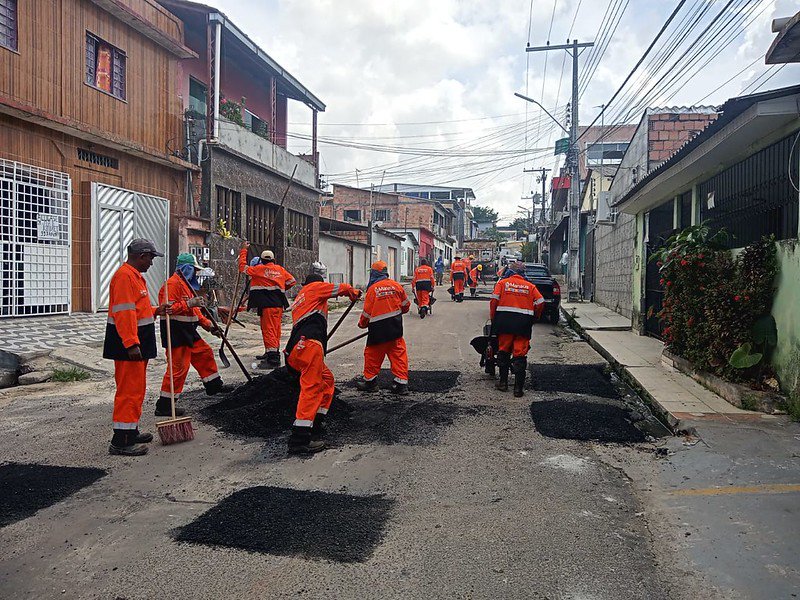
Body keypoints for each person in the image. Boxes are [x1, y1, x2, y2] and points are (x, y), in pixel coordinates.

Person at [103, 238, 172, 456]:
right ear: (142, 256)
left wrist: (156, 310)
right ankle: (121, 441)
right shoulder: (125, 277)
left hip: (136, 342)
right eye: (151, 258)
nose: (152, 262)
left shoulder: (135, 277)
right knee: (129, 392)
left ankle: (130, 431)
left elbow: (138, 310)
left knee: (136, 390)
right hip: (128, 345)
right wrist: (131, 344)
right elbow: (124, 314)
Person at [284, 265, 361, 454]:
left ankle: (316, 421)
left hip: (296, 349)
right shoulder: (314, 288)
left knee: (326, 380)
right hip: (309, 345)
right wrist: (353, 292)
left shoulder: (301, 296)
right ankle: (300, 439)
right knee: (311, 388)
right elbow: (340, 288)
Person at [156, 253, 224, 418]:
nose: (194, 273)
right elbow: (168, 309)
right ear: (186, 269)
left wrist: (209, 326)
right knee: (178, 368)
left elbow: (195, 312)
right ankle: (165, 405)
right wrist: (188, 303)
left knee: (204, 353)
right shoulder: (172, 285)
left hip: (188, 330)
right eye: (193, 269)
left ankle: (214, 386)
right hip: (175, 331)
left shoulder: (186, 286)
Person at [489, 261, 545, 397]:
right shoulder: (530, 287)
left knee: (503, 350)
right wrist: (535, 317)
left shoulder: (502, 284)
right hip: (523, 324)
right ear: (523, 273)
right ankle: (518, 389)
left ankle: (503, 383)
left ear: (510, 272)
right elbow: (541, 302)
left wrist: (494, 318)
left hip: (504, 322)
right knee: (520, 353)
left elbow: (494, 301)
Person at [356, 261, 412, 395]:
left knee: (372, 355)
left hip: (378, 330)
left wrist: (362, 324)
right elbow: (406, 305)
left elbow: (367, 313)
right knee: (398, 354)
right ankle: (401, 384)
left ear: (374, 273)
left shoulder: (373, 289)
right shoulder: (396, 286)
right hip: (394, 328)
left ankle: (370, 383)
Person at [238, 242, 297, 367]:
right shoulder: (280, 270)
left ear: (262, 260)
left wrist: (243, 251)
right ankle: (270, 351)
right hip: (278, 304)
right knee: (275, 329)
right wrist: (280, 288)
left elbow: (243, 268)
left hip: (267, 305)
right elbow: (292, 281)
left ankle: (273, 359)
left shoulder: (259, 269)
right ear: (274, 260)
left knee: (268, 329)